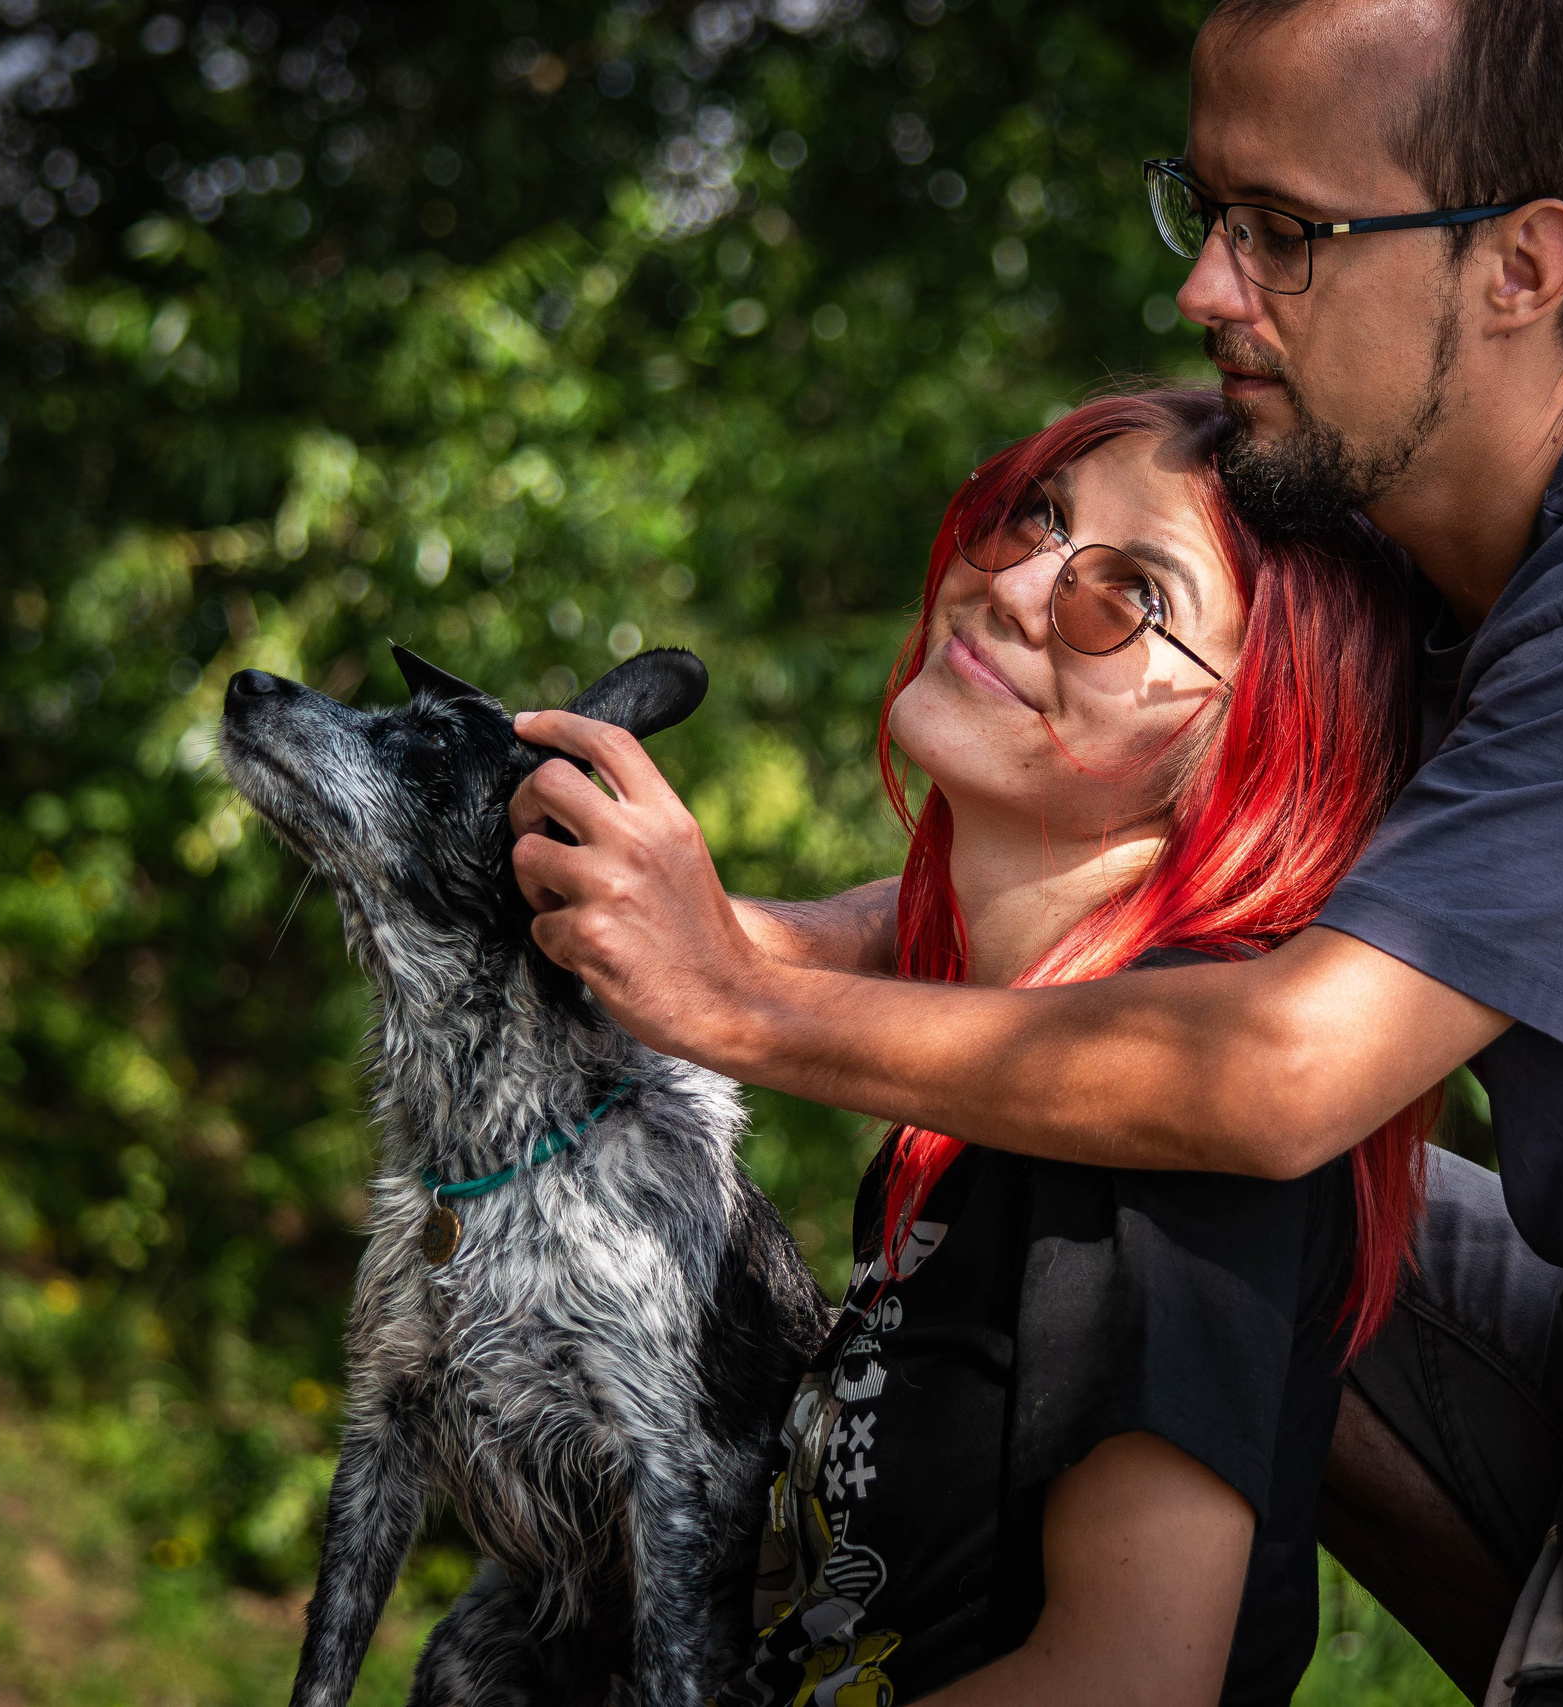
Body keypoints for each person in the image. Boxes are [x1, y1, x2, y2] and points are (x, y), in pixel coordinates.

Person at [505, 0, 1563, 1700]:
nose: (1204, 289)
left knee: (1213, 1117)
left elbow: (1275, 1077)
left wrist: (731, 1003)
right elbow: (1125, 936)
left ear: (1524, 267)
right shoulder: (1422, 563)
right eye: (1211, 213)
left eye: (1290, 236)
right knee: (1157, 1129)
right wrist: (692, 928)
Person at [551, 387, 1425, 1706]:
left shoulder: (1156, 1118)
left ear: (1255, 743)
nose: (1018, 589)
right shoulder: (993, 1086)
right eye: (1034, 519)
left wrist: (721, 983)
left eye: (1129, 597)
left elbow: (1128, 1683)